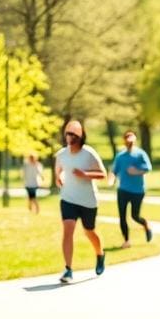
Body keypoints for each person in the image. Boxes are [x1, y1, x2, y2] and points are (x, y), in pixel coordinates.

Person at [55, 120, 107, 283]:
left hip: (88, 200)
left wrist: (85, 174)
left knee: (89, 230)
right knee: (68, 230)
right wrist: (59, 180)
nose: (69, 137)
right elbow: (58, 174)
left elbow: (103, 174)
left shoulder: (89, 153)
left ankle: (100, 254)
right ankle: (68, 269)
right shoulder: (61, 154)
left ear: (80, 137)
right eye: (67, 134)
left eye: (73, 135)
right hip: (68, 198)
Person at [110, 130, 153, 247]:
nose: (129, 143)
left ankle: (146, 225)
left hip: (138, 190)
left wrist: (137, 171)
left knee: (135, 216)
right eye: (127, 141)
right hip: (123, 190)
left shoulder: (140, 154)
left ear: (135, 141)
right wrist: (111, 179)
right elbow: (114, 170)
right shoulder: (120, 156)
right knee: (122, 216)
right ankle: (126, 240)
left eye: (131, 141)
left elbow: (148, 168)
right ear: (124, 142)